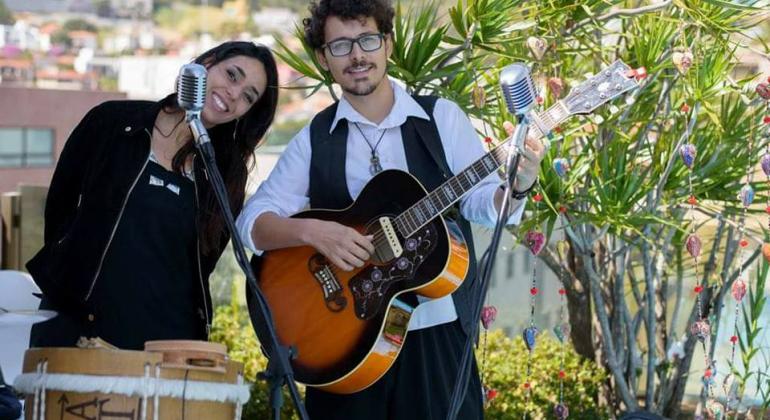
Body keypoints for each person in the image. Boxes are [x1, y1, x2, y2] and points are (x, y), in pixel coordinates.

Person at [235, 0, 545, 418]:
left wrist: (521, 182)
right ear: (325, 59)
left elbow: (485, 204)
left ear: (388, 45)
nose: (357, 55)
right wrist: (313, 233)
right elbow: (252, 222)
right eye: (341, 46)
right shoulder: (316, 138)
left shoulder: (441, 120)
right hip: (343, 346)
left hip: (436, 336)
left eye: (367, 40)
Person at [26, 41, 279, 351]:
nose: (233, 93)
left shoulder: (224, 173)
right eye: (232, 75)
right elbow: (60, 206)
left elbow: (204, 262)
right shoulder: (113, 122)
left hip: (163, 342)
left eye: (248, 96)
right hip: (75, 326)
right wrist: (70, 279)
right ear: (207, 64)